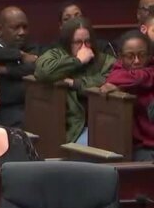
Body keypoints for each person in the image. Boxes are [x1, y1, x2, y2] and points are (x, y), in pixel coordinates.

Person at [35, 17, 115, 144]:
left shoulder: (105, 61)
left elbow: (109, 80)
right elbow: (43, 72)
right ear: (67, 42)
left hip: (100, 124)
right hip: (71, 128)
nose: (84, 47)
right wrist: (77, 61)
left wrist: (74, 83)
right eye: (77, 42)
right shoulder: (57, 54)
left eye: (88, 41)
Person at [101, 30, 154, 161]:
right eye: (130, 56)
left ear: (149, 56)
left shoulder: (150, 70)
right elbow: (114, 78)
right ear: (121, 57)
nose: (136, 61)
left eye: (142, 55)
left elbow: (143, 76)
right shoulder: (119, 70)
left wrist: (122, 85)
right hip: (139, 146)